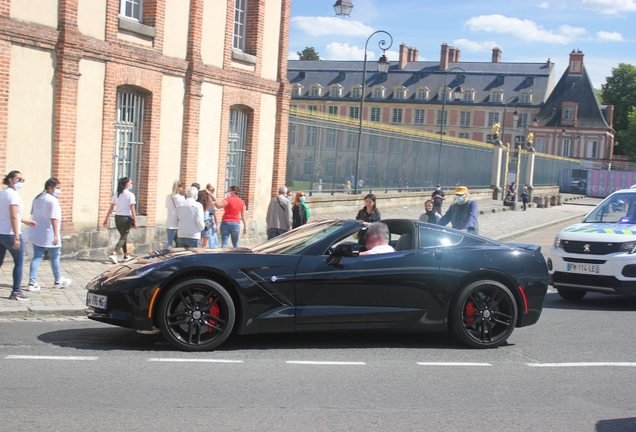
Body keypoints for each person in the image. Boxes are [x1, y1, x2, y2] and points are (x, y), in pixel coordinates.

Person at [27, 177, 72, 291]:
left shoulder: (37, 198)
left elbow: (33, 213)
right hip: (49, 233)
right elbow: (54, 219)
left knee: (37, 257)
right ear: (50, 188)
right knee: (55, 257)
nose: (59, 191)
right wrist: (56, 234)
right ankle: (58, 280)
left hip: (38, 232)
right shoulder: (53, 200)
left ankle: (32, 282)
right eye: (57, 188)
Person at [0, 170, 36, 301]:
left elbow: (9, 215)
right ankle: (16, 292)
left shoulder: (2, 193)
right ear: (10, 179)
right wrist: (16, 237)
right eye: (18, 179)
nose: (20, 182)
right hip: (10, 234)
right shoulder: (13, 195)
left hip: (1, 233)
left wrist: (25, 220)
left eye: (22, 180)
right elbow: (14, 216)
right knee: (19, 262)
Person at [103, 177, 137, 264]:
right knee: (123, 236)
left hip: (117, 217)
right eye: (130, 183)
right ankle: (114, 253)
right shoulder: (130, 195)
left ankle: (126, 255)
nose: (131, 184)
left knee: (123, 236)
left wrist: (106, 218)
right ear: (127, 184)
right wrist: (135, 221)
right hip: (126, 217)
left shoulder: (117, 194)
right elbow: (132, 209)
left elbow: (111, 207)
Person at [165, 180, 185, 248]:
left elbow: (167, 206)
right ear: (179, 188)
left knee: (169, 242)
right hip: (178, 222)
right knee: (179, 243)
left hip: (169, 221)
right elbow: (183, 209)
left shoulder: (168, 197)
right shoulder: (181, 198)